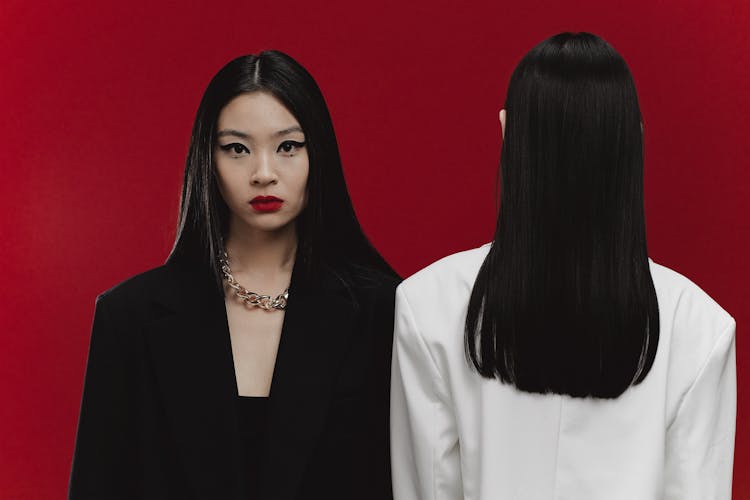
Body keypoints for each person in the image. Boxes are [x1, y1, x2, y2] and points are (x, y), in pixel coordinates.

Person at [390, 33, 736, 500]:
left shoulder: (427, 303)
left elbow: (429, 487)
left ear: (506, 130)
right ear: (634, 137)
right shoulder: (700, 326)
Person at [69, 51, 399, 500]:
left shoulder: (385, 310)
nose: (263, 173)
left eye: (288, 146)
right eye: (237, 149)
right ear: (209, 160)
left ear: (317, 154)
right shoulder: (129, 317)